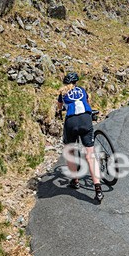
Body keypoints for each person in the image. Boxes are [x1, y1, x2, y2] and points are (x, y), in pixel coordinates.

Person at [55, 72, 103, 202]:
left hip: (71, 122)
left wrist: (60, 111)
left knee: (70, 152)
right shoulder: (82, 90)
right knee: (90, 156)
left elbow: (59, 107)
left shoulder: (63, 93)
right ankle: (98, 189)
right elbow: (87, 102)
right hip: (85, 119)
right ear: (76, 82)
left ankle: (75, 180)